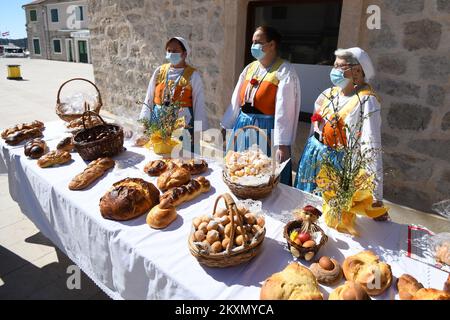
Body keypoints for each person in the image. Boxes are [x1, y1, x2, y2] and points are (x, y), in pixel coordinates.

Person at [294, 47, 389, 221]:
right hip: (312, 158)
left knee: (327, 213)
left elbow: (371, 145)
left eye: (340, 67)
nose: (334, 71)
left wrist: (376, 196)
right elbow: (314, 129)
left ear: (358, 71)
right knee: (305, 209)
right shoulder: (329, 93)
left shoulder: (366, 101)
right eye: (334, 65)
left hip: (336, 167)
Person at [221, 26, 301, 185]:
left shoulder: (284, 71)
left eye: (258, 42)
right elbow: (236, 99)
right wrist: (226, 124)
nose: (253, 46)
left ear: (272, 45)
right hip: (243, 125)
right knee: (241, 168)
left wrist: (282, 143)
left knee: (263, 173)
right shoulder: (250, 68)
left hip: (267, 130)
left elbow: (285, 110)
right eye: (252, 42)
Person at [138, 37, 208, 152]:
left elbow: (198, 104)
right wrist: (145, 122)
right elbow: (149, 97)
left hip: (182, 124)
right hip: (158, 123)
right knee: (159, 154)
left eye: (175, 51)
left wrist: (198, 132)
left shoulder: (193, 75)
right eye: (169, 50)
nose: (171, 54)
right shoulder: (160, 71)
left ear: (184, 54)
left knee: (180, 156)